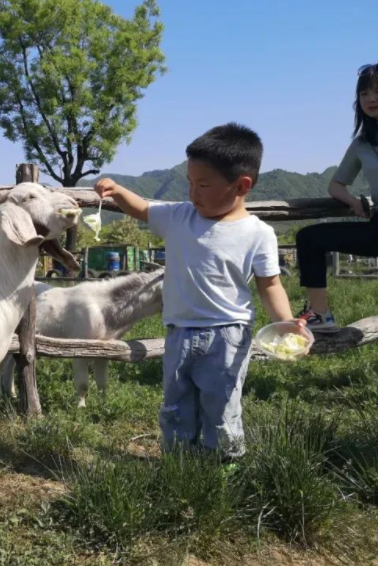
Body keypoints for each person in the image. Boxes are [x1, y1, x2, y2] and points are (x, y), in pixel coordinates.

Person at [95, 123, 302, 458]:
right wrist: (118, 191)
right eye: (190, 183)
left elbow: (271, 285)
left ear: (241, 186)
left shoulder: (258, 233)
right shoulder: (180, 216)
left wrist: (285, 323)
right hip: (179, 331)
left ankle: (224, 461)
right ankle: (180, 460)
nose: (193, 193)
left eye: (203, 184)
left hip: (228, 335)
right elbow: (143, 209)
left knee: (220, 401)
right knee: (176, 400)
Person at [295, 63, 378, 333]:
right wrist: (354, 201)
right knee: (309, 238)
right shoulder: (362, 143)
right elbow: (336, 184)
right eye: (364, 93)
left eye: (376, 91)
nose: (370, 99)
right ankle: (320, 314)